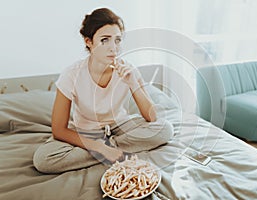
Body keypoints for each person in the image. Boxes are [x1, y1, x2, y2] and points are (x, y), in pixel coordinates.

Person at [33, 8, 174, 173]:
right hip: (85, 132)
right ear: (89, 42)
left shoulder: (128, 70)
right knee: (43, 159)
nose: (113, 48)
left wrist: (132, 83)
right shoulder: (71, 75)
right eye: (105, 40)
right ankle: (106, 151)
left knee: (165, 129)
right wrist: (100, 148)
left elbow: (152, 117)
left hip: (120, 126)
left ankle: (110, 148)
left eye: (117, 40)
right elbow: (58, 130)